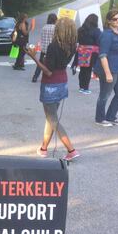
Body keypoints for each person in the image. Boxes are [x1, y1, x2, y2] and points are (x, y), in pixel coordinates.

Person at [25, 17, 80, 161]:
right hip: (62, 83)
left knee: (53, 119)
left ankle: (71, 150)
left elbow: (48, 71)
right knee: (51, 117)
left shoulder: (54, 46)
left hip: (50, 85)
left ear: (58, 30)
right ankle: (43, 148)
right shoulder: (72, 45)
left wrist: (34, 57)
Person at [72, 14, 101, 94]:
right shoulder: (96, 31)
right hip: (91, 54)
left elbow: (77, 40)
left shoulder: (81, 29)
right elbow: (99, 41)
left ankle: (81, 87)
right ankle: (85, 88)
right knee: (88, 70)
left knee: (82, 70)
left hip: (81, 52)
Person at [31, 13, 57, 82]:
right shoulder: (55, 28)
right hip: (52, 49)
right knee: (53, 64)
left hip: (44, 49)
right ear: (55, 20)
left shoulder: (44, 27)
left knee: (40, 64)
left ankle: (35, 77)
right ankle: (52, 77)